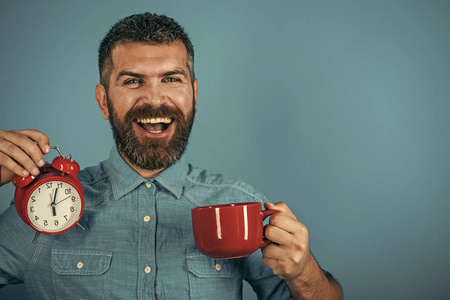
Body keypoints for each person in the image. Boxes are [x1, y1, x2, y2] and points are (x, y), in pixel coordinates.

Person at [0, 13, 343, 299]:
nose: (154, 99)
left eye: (171, 78)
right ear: (104, 101)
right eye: (133, 81)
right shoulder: (41, 208)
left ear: (193, 94)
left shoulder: (243, 207)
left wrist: (305, 273)